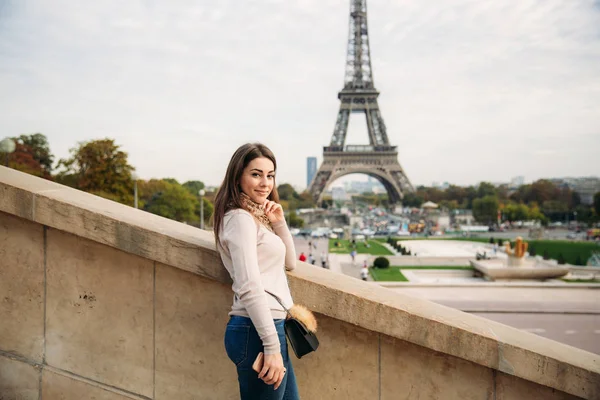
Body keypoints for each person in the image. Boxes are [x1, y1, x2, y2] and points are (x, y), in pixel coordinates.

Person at [213, 143, 300, 399]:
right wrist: (271, 346)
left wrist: (280, 223)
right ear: (238, 176)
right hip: (258, 333)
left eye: (270, 175)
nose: (265, 183)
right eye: (256, 174)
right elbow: (248, 285)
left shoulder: (256, 217)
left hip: (268, 328)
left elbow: (291, 262)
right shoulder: (240, 219)